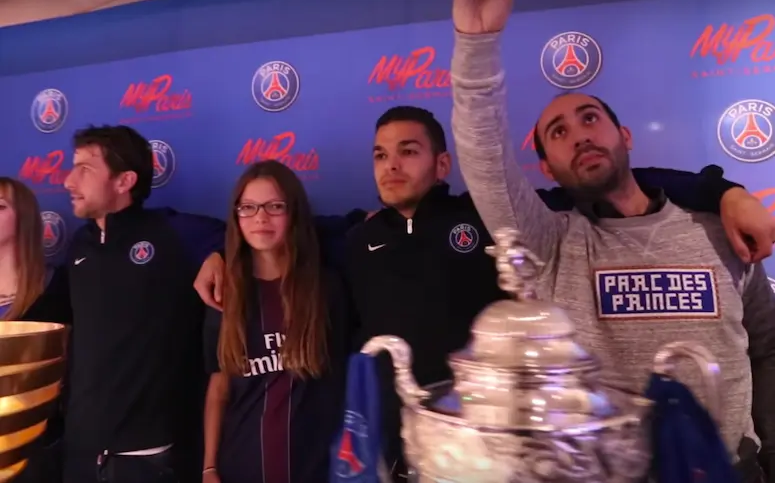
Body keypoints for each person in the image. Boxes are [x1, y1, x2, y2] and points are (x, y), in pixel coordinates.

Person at [196, 106, 775, 482]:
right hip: (403, 454)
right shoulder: (356, 237)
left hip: (498, 454)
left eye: (408, 151)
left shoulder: (496, 219)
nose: (391, 165)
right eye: (380, 154)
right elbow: (279, 225)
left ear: (442, 162)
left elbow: (606, 181)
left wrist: (718, 189)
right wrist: (220, 250)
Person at [448, 0, 775, 481]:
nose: (579, 136)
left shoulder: (720, 232)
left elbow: (767, 348)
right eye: (558, 132)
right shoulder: (551, 244)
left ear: (623, 134)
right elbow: (487, 164)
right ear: (547, 168)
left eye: (589, 118)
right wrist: (476, 44)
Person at [61, 125, 226, 483]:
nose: (68, 182)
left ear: (124, 181)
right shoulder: (78, 246)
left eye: (84, 169)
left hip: (147, 457)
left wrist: (219, 255)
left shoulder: (173, 233)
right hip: (80, 454)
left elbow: (251, 234)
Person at [201, 161, 350, 483]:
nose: (260, 218)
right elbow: (219, 386)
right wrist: (209, 466)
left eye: (275, 206)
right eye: (248, 208)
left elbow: (343, 381)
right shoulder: (224, 293)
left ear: (293, 212)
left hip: (315, 467)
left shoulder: (326, 288)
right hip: (240, 465)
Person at [0, 177, 71, 483]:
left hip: (33, 450)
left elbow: (67, 372)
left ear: (25, 219)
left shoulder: (56, 288)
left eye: (0, 207)